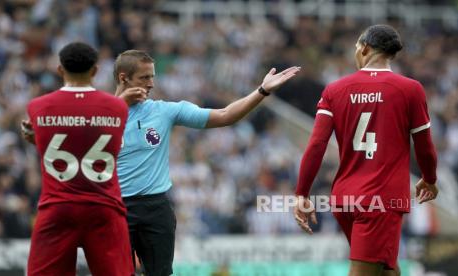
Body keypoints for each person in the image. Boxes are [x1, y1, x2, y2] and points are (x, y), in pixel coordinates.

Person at [114, 50, 300, 275]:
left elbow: (225, 115)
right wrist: (117, 106)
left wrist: (262, 91)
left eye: (153, 76)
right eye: (144, 78)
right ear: (124, 78)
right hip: (116, 207)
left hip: (156, 208)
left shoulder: (163, 111)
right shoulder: (100, 114)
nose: (151, 83)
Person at [293, 25, 438, 276]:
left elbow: (316, 145)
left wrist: (302, 193)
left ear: (364, 47)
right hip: (380, 200)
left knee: (386, 269)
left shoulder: (335, 90)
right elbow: (424, 146)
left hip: (345, 199)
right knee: (368, 270)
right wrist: (430, 179)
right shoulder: (410, 89)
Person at [23, 42, 134, 276]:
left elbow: (67, 138)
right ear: (95, 70)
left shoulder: (37, 107)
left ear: (60, 69)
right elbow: (88, 136)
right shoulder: (118, 107)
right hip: (104, 207)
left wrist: (36, 137)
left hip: (57, 207)